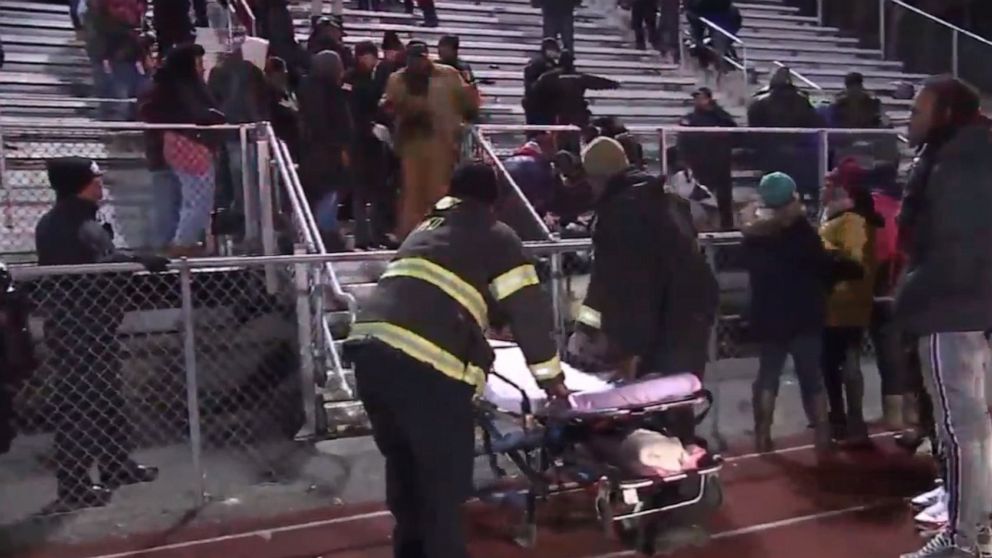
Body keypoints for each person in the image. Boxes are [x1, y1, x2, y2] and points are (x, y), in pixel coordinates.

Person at [346, 161, 566, 558]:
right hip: (424, 369)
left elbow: (438, 288)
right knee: (442, 490)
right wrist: (552, 380)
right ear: (494, 203)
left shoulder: (425, 230)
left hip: (369, 355)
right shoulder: (496, 235)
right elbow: (529, 313)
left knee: (406, 472)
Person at [34, 158, 168, 509]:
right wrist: (135, 260)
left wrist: (131, 259)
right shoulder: (65, 223)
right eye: (95, 178)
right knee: (79, 408)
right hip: (78, 330)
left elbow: (100, 259)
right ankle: (75, 484)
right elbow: (92, 269)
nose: (101, 183)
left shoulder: (78, 220)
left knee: (107, 400)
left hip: (92, 327)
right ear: (81, 182)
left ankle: (115, 464)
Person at [896, 76, 992, 558]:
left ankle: (963, 540)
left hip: (952, 310)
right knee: (976, 430)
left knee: (961, 433)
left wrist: (912, 296)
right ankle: (977, 530)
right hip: (972, 308)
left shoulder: (957, 164)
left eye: (918, 110)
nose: (910, 120)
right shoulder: (972, 154)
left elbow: (952, 249)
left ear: (947, 114)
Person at [569, 137, 718, 440]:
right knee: (678, 402)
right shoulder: (664, 198)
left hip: (662, 324)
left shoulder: (620, 212)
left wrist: (621, 344)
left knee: (650, 409)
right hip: (692, 314)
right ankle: (685, 474)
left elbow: (619, 284)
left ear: (598, 177)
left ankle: (665, 477)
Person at [742, 172, 833, 454]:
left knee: (768, 376)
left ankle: (762, 435)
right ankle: (822, 436)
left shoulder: (755, 236)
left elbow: (750, 229)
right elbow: (823, 269)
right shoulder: (805, 234)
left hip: (769, 315)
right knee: (812, 378)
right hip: (805, 314)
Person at [381, 40, 479, 240]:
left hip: (442, 142)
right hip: (412, 142)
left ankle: (440, 234)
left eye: (421, 58)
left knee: (439, 192)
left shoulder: (448, 75)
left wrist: (471, 97)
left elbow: (468, 103)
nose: (417, 63)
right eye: (413, 59)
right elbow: (389, 105)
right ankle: (409, 236)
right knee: (412, 193)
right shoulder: (398, 79)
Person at [819, 158, 883, 446]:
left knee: (843, 362)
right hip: (838, 300)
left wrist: (822, 250)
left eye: (831, 183)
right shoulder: (841, 216)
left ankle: (849, 420)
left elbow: (854, 262)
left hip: (843, 301)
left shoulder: (852, 220)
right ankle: (844, 419)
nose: (824, 187)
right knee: (837, 363)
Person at [140, 43, 225, 255]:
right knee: (176, 206)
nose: (202, 68)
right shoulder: (167, 88)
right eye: (198, 63)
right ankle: (174, 248)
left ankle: (173, 247)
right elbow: (163, 116)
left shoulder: (185, 86)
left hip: (175, 153)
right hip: (172, 152)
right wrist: (204, 118)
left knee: (179, 205)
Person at [298, 50, 354, 251]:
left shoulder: (308, 87)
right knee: (327, 194)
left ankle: (323, 234)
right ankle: (326, 236)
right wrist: (340, 147)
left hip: (313, 153)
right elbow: (327, 123)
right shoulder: (328, 92)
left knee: (322, 195)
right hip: (326, 154)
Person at [747, 67, 825, 202]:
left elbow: (754, 128)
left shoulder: (760, 102)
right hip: (796, 149)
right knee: (795, 186)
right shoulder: (801, 100)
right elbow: (815, 122)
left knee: (772, 185)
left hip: (771, 150)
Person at [346, 40, 391, 249]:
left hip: (374, 143)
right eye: (372, 56)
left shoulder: (374, 79)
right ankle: (363, 236)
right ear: (362, 56)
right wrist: (369, 125)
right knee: (361, 193)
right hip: (358, 142)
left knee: (379, 191)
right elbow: (351, 110)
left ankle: (377, 233)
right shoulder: (351, 79)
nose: (375, 61)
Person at [532, 50, 620, 153]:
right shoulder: (579, 77)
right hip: (577, 113)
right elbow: (597, 82)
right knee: (579, 138)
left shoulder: (548, 77)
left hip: (560, 114)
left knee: (560, 139)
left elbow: (535, 89)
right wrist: (614, 84)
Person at [677, 87, 737, 229]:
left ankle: (726, 227)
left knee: (724, 199)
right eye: (696, 98)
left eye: (701, 97)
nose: (698, 100)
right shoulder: (690, 119)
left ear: (709, 99)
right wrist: (684, 161)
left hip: (720, 163)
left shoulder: (721, 117)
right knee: (700, 200)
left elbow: (735, 134)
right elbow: (682, 140)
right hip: (699, 164)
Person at [522, 38, 561, 126]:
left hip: (546, 103)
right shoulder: (538, 63)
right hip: (537, 103)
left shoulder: (551, 63)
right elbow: (532, 83)